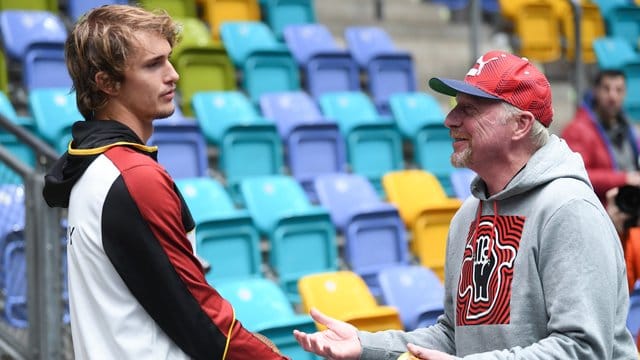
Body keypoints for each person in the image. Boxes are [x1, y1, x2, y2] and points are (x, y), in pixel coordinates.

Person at [293, 50, 637, 359]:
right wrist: (366, 345)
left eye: (469, 109)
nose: (450, 119)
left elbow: (583, 350)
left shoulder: (569, 210)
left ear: (520, 124)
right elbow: (454, 337)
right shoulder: (467, 217)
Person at [42, 5, 287, 360]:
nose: (172, 75)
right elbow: (203, 322)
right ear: (106, 82)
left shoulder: (95, 166)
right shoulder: (132, 176)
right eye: (153, 64)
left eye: (169, 60)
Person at [561, 69, 640, 205]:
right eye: (606, 89)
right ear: (596, 91)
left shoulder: (629, 129)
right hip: (599, 211)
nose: (612, 96)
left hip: (628, 208)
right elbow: (576, 175)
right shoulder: (577, 130)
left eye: (618, 90)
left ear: (625, 93)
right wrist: (624, 179)